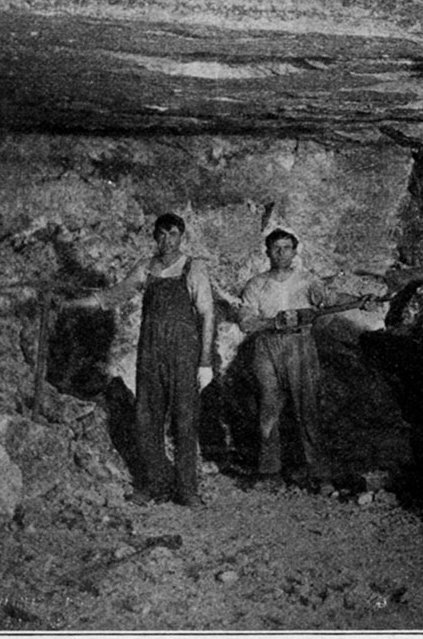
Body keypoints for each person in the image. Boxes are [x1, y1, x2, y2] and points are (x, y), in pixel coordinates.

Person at [64, 212, 216, 507]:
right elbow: (109, 298)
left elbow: (208, 314)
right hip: (150, 353)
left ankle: (187, 489)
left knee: (185, 419)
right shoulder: (145, 269)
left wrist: (205, 362)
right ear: (154, 237)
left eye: (172, 234)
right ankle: (155, 484)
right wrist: (68, 305)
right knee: (146, 417)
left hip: (184, 354)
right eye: (160, 234)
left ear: (181, 236)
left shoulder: (193, 268)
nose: (166, 240)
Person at [238, 228, 334, 492]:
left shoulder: (308, 280)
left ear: (295, 251)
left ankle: (320, 473)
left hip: (300, 345)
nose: (281, 253)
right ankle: (270, 472)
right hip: (267, 345)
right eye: (276, 248)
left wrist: (332, 303)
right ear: (267, 252)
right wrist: (274, 321)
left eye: (287, 248)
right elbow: (245, 322)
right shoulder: (256, 284)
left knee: (308, 409)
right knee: (268, 409)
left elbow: (326, 309)